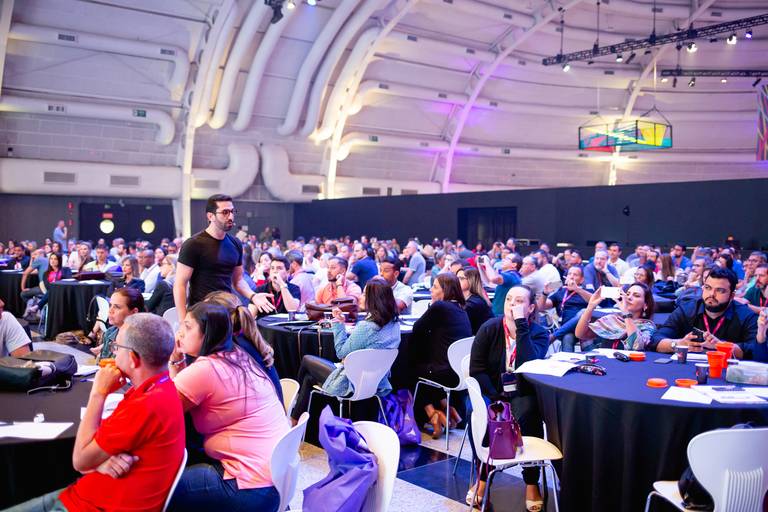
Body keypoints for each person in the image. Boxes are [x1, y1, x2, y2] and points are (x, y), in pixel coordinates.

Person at [9, 313, 184, 512]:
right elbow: (93, 455)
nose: (113, 354)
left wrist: (98, 393)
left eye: (116, 348)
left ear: (134, 359)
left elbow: (80, 460)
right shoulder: (162, 388)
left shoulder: (145, 405)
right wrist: (100, 461)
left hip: (89, 505)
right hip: (95, 492)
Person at [167, 303, 288, 511]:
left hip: (247, 487)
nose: (180, 333)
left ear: (207, 334)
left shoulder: (205, 369)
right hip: (276, 478)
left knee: (159, 487)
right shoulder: (239, 355)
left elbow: (160, 408)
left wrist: (173, 362)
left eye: (187, 327)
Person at [467, 285, 549, 512]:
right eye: (509, 299)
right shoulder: (489, 328)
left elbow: (528, 365)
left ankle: (531, 482)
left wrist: (522, 325)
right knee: (486, 416)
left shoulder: (539, 333)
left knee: (529, 413)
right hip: (493, 390)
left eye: (519, 301)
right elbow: (477, 369)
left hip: (523, 392)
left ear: (531, 307)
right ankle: (483, 478)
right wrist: (495, 397)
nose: (512, 304)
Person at [290, 277, 401, 423]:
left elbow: (341, 352)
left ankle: (293, 407)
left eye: (364, 294)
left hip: (352, 382)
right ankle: (294, 418)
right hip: (376, 381)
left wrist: (338, 324)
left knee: (306, 360)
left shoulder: (367, 327)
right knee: (309, 379)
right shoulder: (394, 324)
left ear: (373, 299)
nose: (360, 297)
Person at [175, 194, 275, 323]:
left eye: (232, 211)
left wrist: (253, 296)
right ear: (210, 216)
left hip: (226, 313)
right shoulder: (193, 244)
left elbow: (238, 280)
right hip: (200, 315)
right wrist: (183, 320)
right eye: (225, 212)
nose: (231, 216)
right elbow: (180, 284)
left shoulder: (235, 244)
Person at [649, 267, 764, 361]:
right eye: (708, 288)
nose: (711, 294)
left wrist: (721, 346)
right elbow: (655, 340)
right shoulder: (687, 309)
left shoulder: (746, 315)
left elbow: (758, 352)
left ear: (732, 296)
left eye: (720, 290)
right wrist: (678, 344)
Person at [410, 273, 472, 438]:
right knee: (427, 369)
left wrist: (432, 305)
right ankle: (449, 410)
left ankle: (433, 414)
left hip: (445, 373)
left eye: (435, 286)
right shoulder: (461, 308)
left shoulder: (440, 307)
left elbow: (417, 327)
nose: (431, 289)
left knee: (409, 370)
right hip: (459, 372)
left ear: (446, 290)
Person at [202, 291, 282, 405]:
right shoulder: (247, 340)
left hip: (260, 418)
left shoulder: (230, 351)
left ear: (215, 321)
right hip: (276, 415)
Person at [575, 283, 656, 351]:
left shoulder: (648, 326)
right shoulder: (612, 319)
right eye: (627, 294)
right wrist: (590, 307)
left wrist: (626, 313)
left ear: (646, 305)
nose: (629, 297)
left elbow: (636, 346)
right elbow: (580, 334)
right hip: (604, 361)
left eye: (636, 295)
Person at [540, 266, 592, 351]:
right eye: (569, 274)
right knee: (567, 337)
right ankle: (567, 363)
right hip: (567, 330)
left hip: (584, 329)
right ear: (566, 277)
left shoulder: (586, 291)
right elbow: (541, 307)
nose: (571, 276)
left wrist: (577, 289)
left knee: (584, 312)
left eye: (575, 275)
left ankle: (554, 336)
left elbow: (594, 301)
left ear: (582, 279)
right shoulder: (560, 292)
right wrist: (545, 293)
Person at [92, 288, 145, 360]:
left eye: (117, 307)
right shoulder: (110, 332)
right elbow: (103, 363)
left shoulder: (140, 340)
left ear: (134, 312)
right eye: (110, 305)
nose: (110, 310)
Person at [26, 252, 71, 317]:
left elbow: (68, 281)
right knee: (53, 289)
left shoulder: (66, 270)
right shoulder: (46, 273)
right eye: (51, 259)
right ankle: (38, 306)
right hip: (53, 293)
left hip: (64, 292)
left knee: (54, 288)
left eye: (55, 259)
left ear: (59, 260)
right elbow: (48, 287)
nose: (52, 261)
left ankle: (37, 306)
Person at [458, 266, 493, 334]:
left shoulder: (473, 303)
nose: (457, 281)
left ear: (471, 280)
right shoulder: (470, 299)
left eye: (461, 278)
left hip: (479, 340)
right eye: (456, 278)